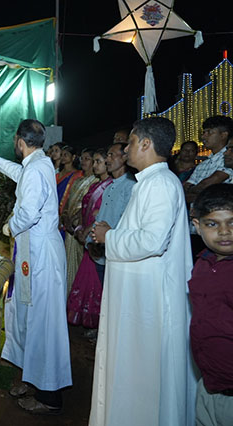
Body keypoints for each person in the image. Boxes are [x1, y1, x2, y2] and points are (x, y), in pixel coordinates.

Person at [89, 117, 197, 426]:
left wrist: (109, 236)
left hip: (149, 302)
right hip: (138, 297)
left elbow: (152, 241)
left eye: (132, 143)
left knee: (144, 377)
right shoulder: (149, 182)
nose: (126, 150)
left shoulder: (160, 183)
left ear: (147, 144)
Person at [0, 119, 71, 415]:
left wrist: (10, 226)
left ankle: (50, 396)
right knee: (28, 317)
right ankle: (33, 379)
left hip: (40, 255)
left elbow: (29, 213)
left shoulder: (37, 168)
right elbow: (21, 174)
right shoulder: (39, 164)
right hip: (35, 251)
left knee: (43, 323)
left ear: (20, 141)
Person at [189, 184, 233, 426]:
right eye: (213, 224)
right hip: (208, 385)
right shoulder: (202, 264)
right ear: (197, 226)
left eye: (232, 222)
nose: (224, 232)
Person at [67, 150, 112, 329]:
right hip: (87, 234)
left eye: (98, 161)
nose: (94, 165)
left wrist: (87, 230)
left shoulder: (109, 186)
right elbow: (85, 208)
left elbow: (102, 214)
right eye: (94, 161)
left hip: (97, 237)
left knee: (95, 281)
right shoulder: (96, 185)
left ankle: (97, 323)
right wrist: (79, 226)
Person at [87, 142, 136, 283]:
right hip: (102, 252)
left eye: (111, 155)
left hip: (118, 253)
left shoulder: (131, 187)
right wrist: (91, 242)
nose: (107, 159)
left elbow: (127, 224)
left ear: (124, 157)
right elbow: (101, 218)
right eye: (107, 155)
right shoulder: (109, 187)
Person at [61, 148, 98, 291]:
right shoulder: (78, 181)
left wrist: (75, 223)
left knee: (77, 264)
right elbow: (69, 202)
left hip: (80, 228)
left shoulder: (95, 182)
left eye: (87, 159)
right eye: (82, 158)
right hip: (69, 228)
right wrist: (65, 217)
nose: (83, 161)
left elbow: (86, 207)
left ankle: (75, 295)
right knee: (67, 263)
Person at [184, 116, 233, 203]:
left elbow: (206, 185)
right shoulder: (202, 165)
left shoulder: (229, 160)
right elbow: (185, 188)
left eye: (209, 132)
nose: (203, 136)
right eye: (204, 132)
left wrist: (193, 189)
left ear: (223, 135)